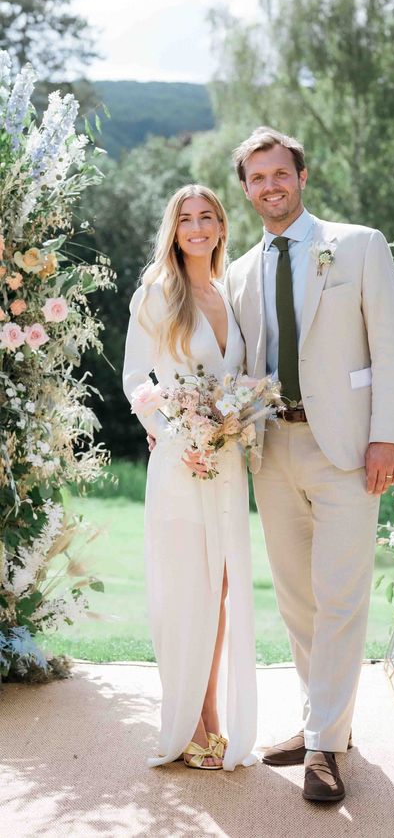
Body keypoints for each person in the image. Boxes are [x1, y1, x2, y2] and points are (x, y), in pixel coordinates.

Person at [224, 127, 394, 802]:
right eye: (257, 178)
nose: (270, 186)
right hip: (272, 451)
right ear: (245, 189)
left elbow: (392, 348)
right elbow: (239, 368)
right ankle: (322, 724)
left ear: (301, 177)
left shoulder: (358, 246)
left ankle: (325, 747)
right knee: (299, 600)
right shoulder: (240, 271)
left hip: (348, 452)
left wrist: (386, 437)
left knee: (339, 596)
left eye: (280, 173)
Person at [122, 185, 257, 771]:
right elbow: (135, 378)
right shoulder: (157, 293)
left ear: (222, 228)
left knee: (222, 589)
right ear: (173, 231)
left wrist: (236, 421)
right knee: (188, 589)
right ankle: (192, 723)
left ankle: (215, 718)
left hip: (225, 462)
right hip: (182, 460)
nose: (197, 228)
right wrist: (172, 430)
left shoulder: (230, 293)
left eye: (207, 217)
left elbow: (244, 380)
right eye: (186, 219)